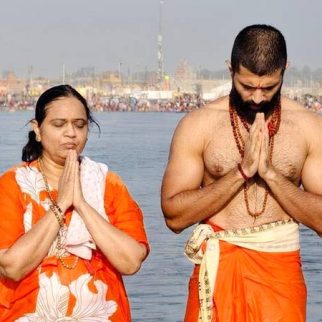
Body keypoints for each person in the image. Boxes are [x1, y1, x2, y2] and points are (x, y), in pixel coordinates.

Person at [161, 24, 322, 322]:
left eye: (269, 87)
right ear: (230, 69)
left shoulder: (309, 128)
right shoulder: (199, 125)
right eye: (247, 86)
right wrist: (240, 173)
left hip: (280, 274)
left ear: (285, 69)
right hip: (219, 266)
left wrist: (272, 175)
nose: (258, 98)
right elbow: (174, 216)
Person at [0, 84, 149, 321]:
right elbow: (12, 267)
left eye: (79, 125)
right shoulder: (11, 185)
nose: (71, 133)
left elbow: (130, 262)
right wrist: (60, 206)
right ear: (37, 129)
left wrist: (80, 203)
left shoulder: (107, 183)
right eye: (59, 124)